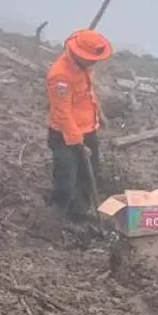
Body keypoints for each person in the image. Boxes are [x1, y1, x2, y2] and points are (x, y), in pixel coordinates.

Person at [46, 29, 113, 217]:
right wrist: (77, 142)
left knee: (89, 174)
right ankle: (58, 214)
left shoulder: (84, 67)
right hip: (65, 135)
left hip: (87, 129)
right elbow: (62, 113)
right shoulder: (60, 76)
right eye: (91, 59)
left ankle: (80, 213)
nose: (94, 62)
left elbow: (87, 95)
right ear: (78, 54)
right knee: (66, 177)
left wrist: (99, 114)